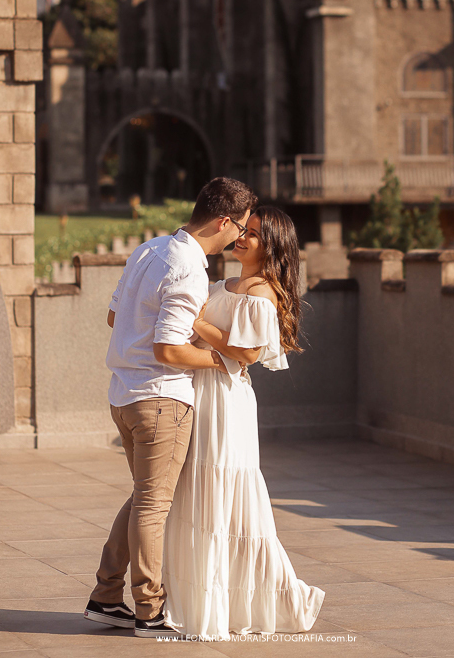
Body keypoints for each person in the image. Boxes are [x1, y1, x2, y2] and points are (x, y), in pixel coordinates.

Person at [84, 177, 257, 639]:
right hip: (160, 399)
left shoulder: (150, 249)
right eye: (240, 227)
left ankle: (105, 597)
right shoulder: (189, 267)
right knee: (153, 505)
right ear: (223, 221)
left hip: (124, 395)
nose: (241, 237)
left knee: (144, 497)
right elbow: (168, 349)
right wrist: (223, 361)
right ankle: (148, 611)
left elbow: (114, 318)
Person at [162, 206, 325, 639]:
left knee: (225, 498)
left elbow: (248, 353)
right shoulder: (222, 283)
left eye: (253, 234)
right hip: (198, 388)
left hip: (226, 401)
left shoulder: (262, 291)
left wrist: (197, 323)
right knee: (195, 494)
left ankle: (267, 598)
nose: (243, 238)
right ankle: (197, 601)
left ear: (271, 246)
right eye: (243, 230)